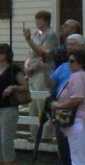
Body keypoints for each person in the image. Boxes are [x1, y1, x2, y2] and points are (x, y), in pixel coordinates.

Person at [22, 10, 58, 138]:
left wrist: (28, 40)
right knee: (32, 104)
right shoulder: (37, 34)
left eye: (39, 19)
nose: (36, 22)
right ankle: (35, 134)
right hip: (32, 72)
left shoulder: (51, 34)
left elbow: (45, 54)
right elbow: (31, 53)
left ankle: (46, 135)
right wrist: (27, 64)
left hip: (43, 71)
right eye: (36, 19)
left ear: (46, 21)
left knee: (42, 103)